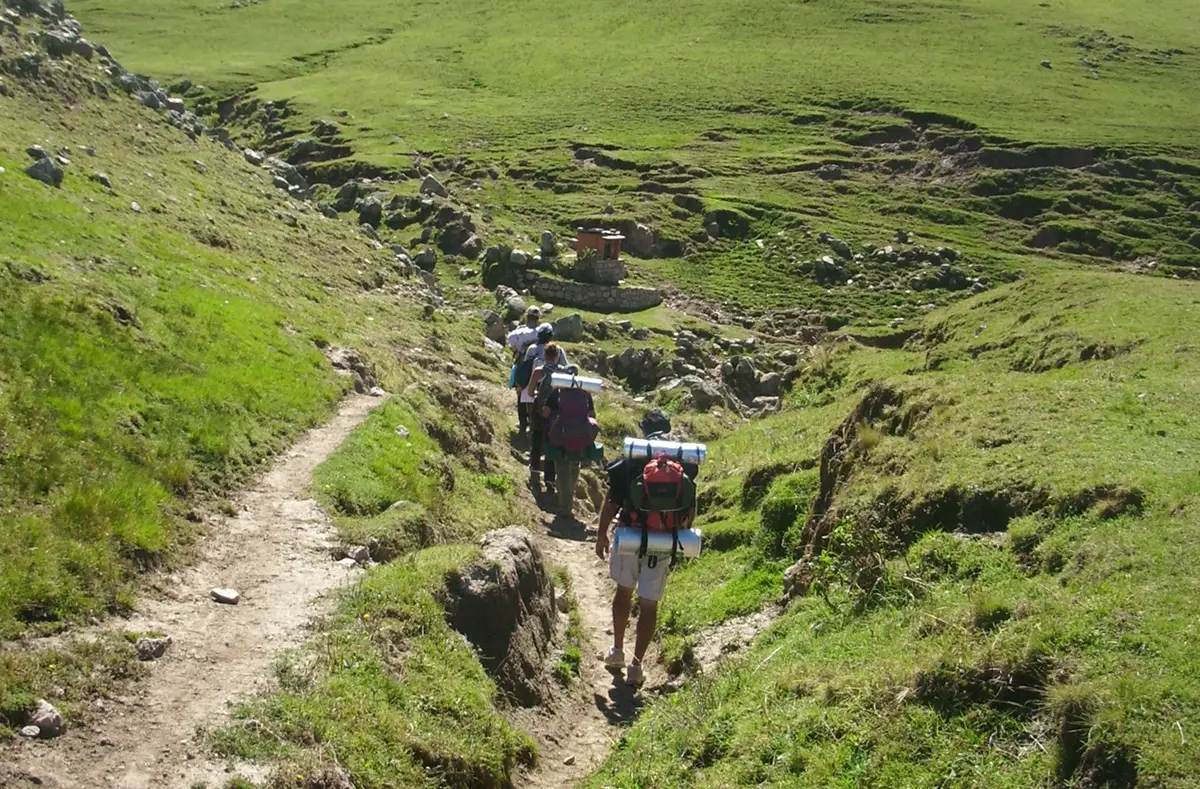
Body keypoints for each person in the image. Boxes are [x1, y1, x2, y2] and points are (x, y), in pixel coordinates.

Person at [594, 409, 698, 687]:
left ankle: (617, 651)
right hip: (662, 541)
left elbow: (612, 501)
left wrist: (601, 534)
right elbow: (690, 507)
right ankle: (637, 667)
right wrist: (679, 536)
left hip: (630, 535)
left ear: (643, 430)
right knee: (649, 604)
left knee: (623, 591)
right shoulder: (684, 463)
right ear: (668, 428)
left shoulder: (632, 460)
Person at [541, 364, 597, 518]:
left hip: (561, 438)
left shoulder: (558, 390)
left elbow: (545, 412)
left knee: (562, 471)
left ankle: (564, 506)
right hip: (580, 439)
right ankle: (568, 503)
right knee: (574, 470)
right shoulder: (585, 391)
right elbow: (592, 414)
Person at [524, 341, 565, 493]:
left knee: (536, 436)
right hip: (556, 413)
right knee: (552, 442)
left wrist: (537, 396)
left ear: (544, 354)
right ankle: (550, 478)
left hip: (539, 410)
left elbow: (529, 392)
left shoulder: (538, 372)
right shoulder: (562, 372)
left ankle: (535, 470)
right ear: (557, 356)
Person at [506, 307, 541, 437]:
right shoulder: (541, 331)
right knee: (537, 394)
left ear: (527, 316)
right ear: (538, 318)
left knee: (521, 393)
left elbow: (511, 342)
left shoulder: (519, 332)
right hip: (538, 365)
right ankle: (534, 424)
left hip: (523, 365)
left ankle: (522, 424)